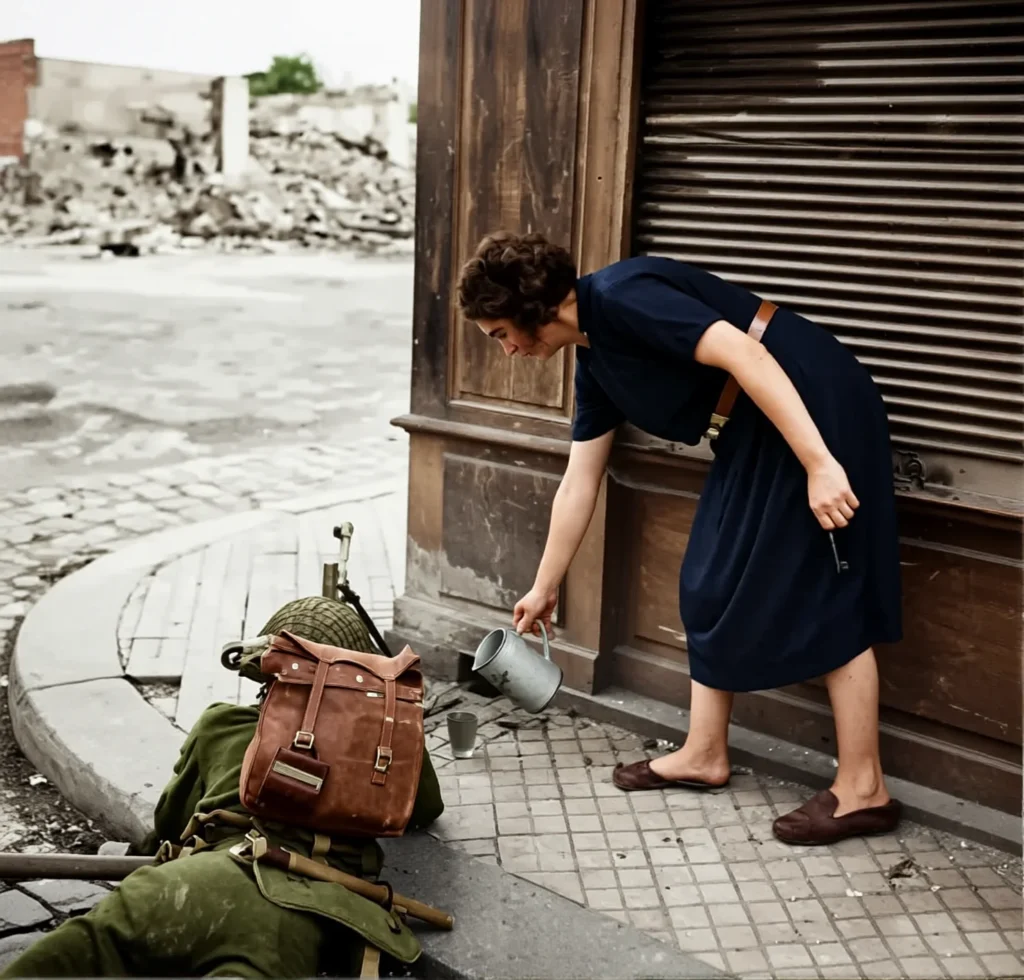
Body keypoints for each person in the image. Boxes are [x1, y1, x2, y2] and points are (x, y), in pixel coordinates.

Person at [456, 231, 903, 847]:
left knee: (822, 589)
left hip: (809, 400)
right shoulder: (595, 364)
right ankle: (704, 752)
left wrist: (820, 464)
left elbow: (748, 356)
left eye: (500, 333)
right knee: (704, 581)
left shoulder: (622, 294)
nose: (504, 350)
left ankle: (864, 788)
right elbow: (579, 482)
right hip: (753, 425)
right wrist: (543, 586)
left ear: (533, 312)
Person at [1, 596, 444, 979]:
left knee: (78, 950)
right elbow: (425, 806)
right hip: (288, 916)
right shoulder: (381, 755)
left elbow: (170, 824)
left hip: (189, 882)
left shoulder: (222, 724)